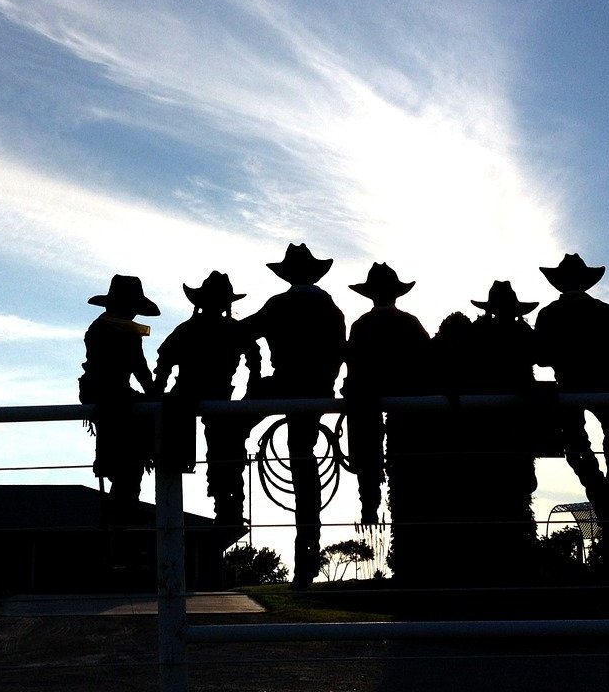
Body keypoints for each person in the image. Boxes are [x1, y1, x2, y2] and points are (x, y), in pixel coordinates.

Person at [245, 243, 346, 589]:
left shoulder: (278, 305)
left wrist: (255, 368)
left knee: (231, 424)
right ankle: (308, 552)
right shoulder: (330, 307)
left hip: (284, 383)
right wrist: (328, 382)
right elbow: (339, 351)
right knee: (303, 459)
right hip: (317, 390)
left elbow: (242, 333)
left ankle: (227, 494)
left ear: (288, 275)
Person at [534, 254, 609, 573]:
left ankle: (601, 496)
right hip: (606, 387)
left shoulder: (550, 314)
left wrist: (561, 355)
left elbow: (539, 357)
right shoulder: (603, 311)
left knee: (578, 448)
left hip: (568, 390)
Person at [153, 271, 261, 528]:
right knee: (225, 448)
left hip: (185, 395)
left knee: (181, 447)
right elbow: (254, 357)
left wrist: (157, 390)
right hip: (219, 396)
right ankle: (227, 506)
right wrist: (251, 389)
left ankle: (223, 506)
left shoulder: (188, 329)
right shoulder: (235, 329)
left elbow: (164, 359)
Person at [343, 263, 430, 527]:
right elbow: (427, 359)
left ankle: (369, 502)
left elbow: (352, 363)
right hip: (406, 401)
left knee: (364, 443)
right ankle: (403, 504)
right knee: (405, 458)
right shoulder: (410, 323)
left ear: (371, 295)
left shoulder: (360, 325)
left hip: (365, 399)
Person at [465, 281, 541, 579]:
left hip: (486, 424)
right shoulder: (522, 332)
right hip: (518, 424)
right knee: (520, 487)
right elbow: (542, 354)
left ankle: (492, 562)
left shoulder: (479, 333)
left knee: (490, 486)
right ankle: (517, 557)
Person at [79, 274, 160, 529]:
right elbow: (140, 368)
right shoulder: (124, 332)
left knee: (118, 464)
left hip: (100, 395)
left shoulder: (97, 328)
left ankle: (120, 519)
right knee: (130, 465)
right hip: (117, 398)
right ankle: (125, 520)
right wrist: (155, 395)